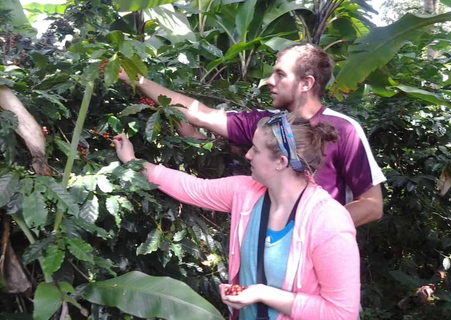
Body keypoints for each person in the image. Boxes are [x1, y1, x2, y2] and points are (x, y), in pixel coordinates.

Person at [113, 113, 360, 320]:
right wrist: (134, 162)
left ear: (281, 162)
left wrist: (262, 293)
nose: (248, 155)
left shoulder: (329, 221)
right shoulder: (247, 192)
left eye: (256, 149)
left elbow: (341, 314)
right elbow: (193, 188)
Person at [118, 43, 385, 227]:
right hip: (263, 248)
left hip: (319, 257)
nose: (269, 81)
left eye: (280, 74)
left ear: (306, 83)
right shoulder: (266, 123)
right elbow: (203, 115)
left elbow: (372, 206)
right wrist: (136, 80)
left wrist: (311, 229)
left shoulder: (345, 129)